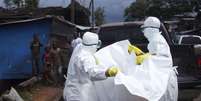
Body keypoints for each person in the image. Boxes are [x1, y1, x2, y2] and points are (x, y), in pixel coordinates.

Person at [63, 32, 119, 101]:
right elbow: (92, 72)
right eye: (97, 45)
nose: (97, 48)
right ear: (93, 45)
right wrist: (107, 72)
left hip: (71, 90)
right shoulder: (86, 57)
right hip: (78, 95)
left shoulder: (80, 47)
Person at [140, 17, 178, 101]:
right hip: (162, 78)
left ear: (150, 29)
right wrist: (145, 55)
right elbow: (156, 56)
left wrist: (145, 58)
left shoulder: (156, 41)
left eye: (144, 29)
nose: (144, 32)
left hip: (163, 80)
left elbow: (160, 60)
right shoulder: (156, 39)